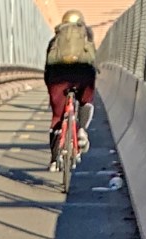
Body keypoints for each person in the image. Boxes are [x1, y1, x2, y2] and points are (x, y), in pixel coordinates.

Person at [44, 9, 97, 172]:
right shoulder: (86, 36)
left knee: (57, 117)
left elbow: (48, 65)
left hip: (57, 77)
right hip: (82, 74)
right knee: (86, 101)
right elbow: (92, 60)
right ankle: (81, 130)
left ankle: (54, 160)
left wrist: (50, 85)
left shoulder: (56, 40)